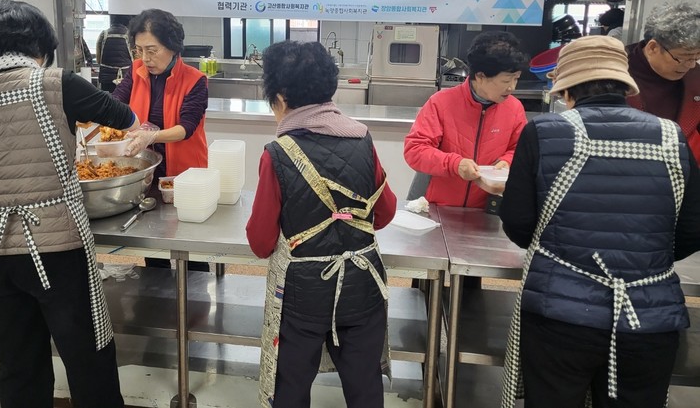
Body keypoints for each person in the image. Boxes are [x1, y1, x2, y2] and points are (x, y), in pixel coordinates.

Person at [0, 0, 141, 408]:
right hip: (57, 249)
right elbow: (125, 118)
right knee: (88, 359)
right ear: (40, 46)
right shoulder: (56, 83)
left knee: (19, 366)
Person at [498, 35, 700, 408]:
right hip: (648, 318)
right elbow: (692, 229)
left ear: (567, 89)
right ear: (624, 85)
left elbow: (519, 224)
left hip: (560, 316)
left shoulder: (544, 131)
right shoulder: (671, 137)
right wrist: (639, 259)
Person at [246, 41, 397, 408]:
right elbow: (385, 212)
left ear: (280, 96)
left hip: (304, 294)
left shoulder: (278, 153)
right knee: (365, 389)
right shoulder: (362, 138)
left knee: (291, 387)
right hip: (363, 285)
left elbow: (261, 242)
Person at [403, 31, 528, 208]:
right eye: (506, 80)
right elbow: (415, 150)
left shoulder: (514, 109)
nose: (512, 87)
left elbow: (520, 150)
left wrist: (506, 162)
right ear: (480, 76)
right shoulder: (441, 103)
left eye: (516, 79)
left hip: (487, 209)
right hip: (441, 208)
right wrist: (455, 164)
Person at [112, 8, 208, 179]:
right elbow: (116, 102)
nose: (145, 58)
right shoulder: (136, 70)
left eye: (151, 51)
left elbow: (186, 128)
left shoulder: (194, 80)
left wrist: (152, 137)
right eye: (139, 50)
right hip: (143, 169)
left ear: (172, 47)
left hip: (184, 174)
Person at [625, 0, 700, 161]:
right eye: (683, 57)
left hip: (682, 170)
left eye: (697, 57)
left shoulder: (696, 78)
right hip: (624, 167)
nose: (691, 65)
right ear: (653, 47)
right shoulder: (612, 73)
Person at [96, 13, 133, 92]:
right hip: (125, 76)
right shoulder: (129, 35)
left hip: (106, 78)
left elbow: (98, 58)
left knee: (107, 98)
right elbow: (136, 57)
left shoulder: (104, 34)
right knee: (123, 98)